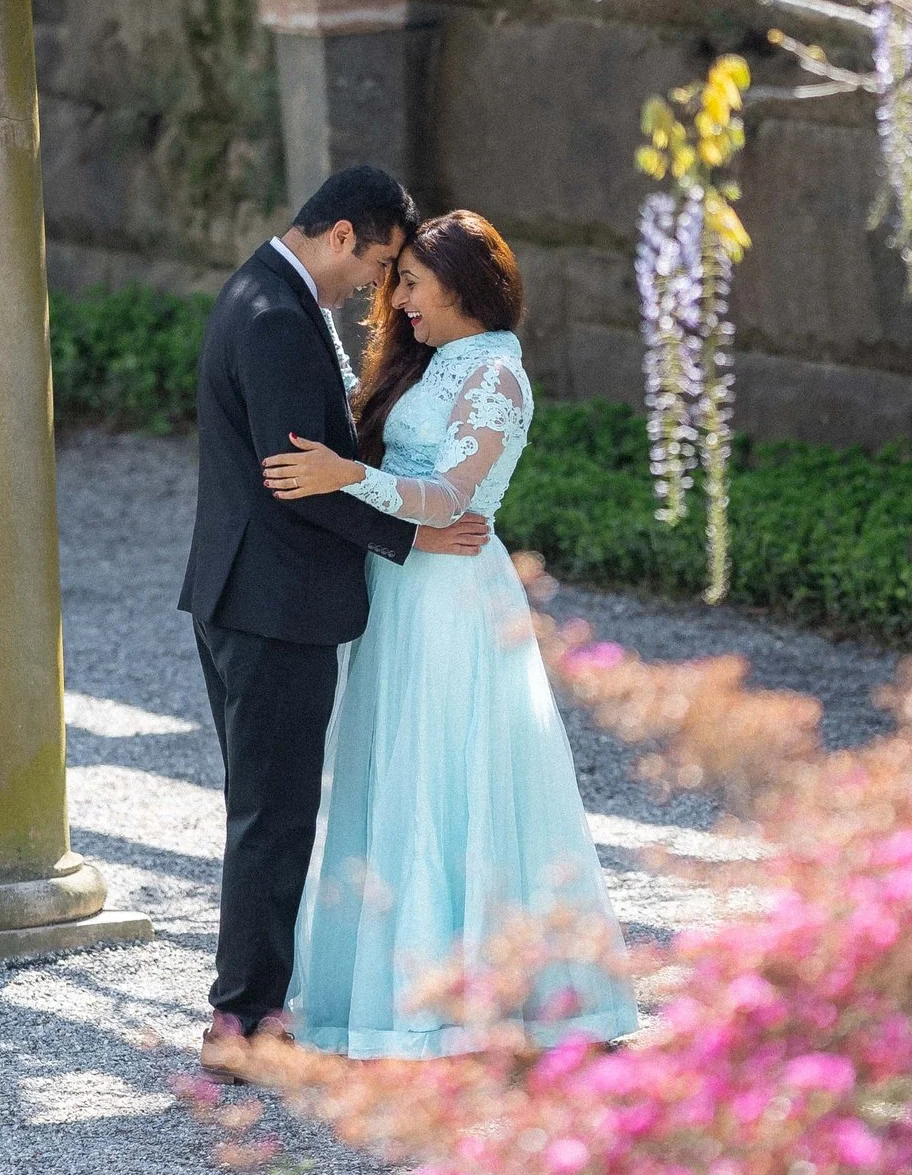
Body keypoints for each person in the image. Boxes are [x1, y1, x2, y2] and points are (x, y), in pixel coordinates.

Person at [262, 208, 639, 1060]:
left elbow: (455, 501)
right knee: (391, 770)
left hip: (454, 598)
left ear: (466, 288)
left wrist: (343, 475)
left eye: (414, 284)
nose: (398, 302)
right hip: (399, 593)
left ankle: (477, 998)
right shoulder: (430, 367)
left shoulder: (496, 378)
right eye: (395, 284)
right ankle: (388, 992)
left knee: (448, 773)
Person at [179, 164, 489, 1081]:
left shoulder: (263, 291)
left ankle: (251, 1006)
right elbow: (297, 484)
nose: (380, 287)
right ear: (344, 234)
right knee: (273, 815)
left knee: (262, 808)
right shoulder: (275, 318)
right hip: (272, 604)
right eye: (381, 262)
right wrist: (413, 537)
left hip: (246, 595)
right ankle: (241, 1024)